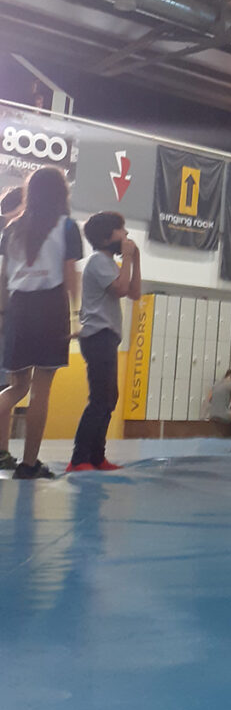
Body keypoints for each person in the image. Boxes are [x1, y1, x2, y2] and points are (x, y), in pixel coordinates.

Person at [0, 166, 82, 478]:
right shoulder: (67, 226)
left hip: (18, 307)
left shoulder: (12, 228)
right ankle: (29, 464)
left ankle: (19, 459)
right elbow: (70, 274)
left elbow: (4, 276)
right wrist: (76, 315)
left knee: (16, 387)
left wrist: (4, 316)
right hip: (50, 307)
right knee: (40, 391)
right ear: (61, 192)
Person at [67, 212, 141, 473]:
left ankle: (97, 456)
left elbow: (134, 292)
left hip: (106, 337)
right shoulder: (99, 260)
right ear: (106, 237)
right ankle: (79, 458)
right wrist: (128, 258)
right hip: (98, 336)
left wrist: (136, 260)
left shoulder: (109, 263)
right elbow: (121, 289)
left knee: (109, 398)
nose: (126, 234)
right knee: (100, 399)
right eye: (121, 229)